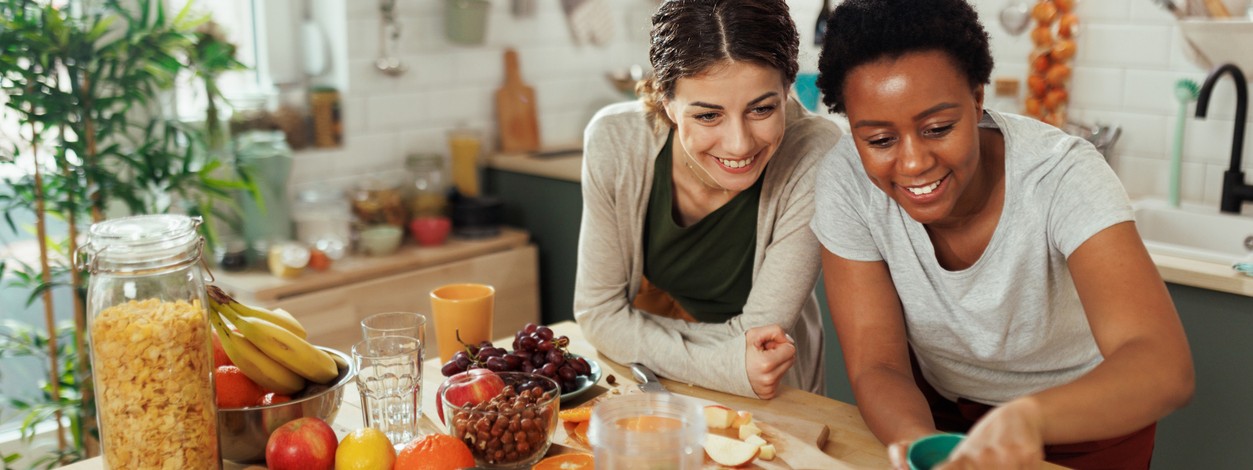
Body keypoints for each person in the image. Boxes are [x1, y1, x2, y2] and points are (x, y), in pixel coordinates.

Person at [811, 0, 1194, 468]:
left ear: (976, 99)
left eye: (938, 128)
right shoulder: (846, 181)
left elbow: (1163, 366)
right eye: (879, 140)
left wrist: (1028, 420)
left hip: (1086, 424)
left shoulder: (1062, 175)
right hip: (939, 417)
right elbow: (879, 365)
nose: (912, 163)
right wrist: (918, 445)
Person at [573, 0, 842, 399]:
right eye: (707, 116)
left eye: (762, 109)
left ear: (788, 88)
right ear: (668, 103)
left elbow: (758, 340)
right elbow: (597, 313)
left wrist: (626, 331)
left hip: (773, 394)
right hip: (653, 386)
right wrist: (731, 364)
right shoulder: (616, 141)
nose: (739, 144)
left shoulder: (815, 152)